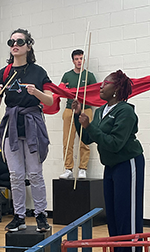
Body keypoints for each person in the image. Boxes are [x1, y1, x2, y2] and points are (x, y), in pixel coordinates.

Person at [72, 70, 144, 252]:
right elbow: (87, 136)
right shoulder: (102, 110)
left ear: (117, 88)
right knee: (112, 217)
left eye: (106, 84)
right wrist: (78, 116)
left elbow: (114, 143)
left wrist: (89, 126)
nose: (101, 87)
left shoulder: (125, 112)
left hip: (128, 163)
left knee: (128, 217)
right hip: (111, 167)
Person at [0, 28, 53, 233]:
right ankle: (18, 215)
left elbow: (51, 100)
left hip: (32, 123)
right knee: (15, 175)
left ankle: (41, 215)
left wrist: (36, 92)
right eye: (11, 42)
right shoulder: (4, 72)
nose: (14, 45)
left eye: (19, 41)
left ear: (28, 45)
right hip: (12, 124)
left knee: (35, 173)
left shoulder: (38, 71)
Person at [59, 49, 96, 180]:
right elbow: (61, 90)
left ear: (84, 60)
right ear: (73, 60)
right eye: (76, 59)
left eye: (81, 58)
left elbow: (95, 93)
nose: (79, 61)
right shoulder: (67, 75)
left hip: (86, 109)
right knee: (67, 140)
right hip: (70, 109)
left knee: (84, 140)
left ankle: (82, 168)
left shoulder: (89, 76)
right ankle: (68, 168)